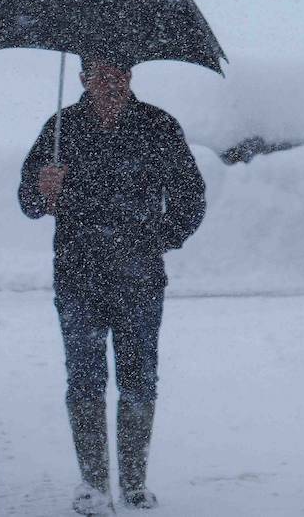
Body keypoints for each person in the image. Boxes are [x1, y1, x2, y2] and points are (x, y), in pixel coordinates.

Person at [18, 56, 206, 515]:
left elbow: (190, 196)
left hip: (139, 278)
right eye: (100, 74)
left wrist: (157, 239)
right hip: (78, 275)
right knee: (84, 378)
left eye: (119, 73)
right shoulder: (61, 128)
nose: (110, 83)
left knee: (139, 379)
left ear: (130, 76)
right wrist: (43, 189)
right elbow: (27, 201)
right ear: (83, 78)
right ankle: (94, 486)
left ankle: (135, 485)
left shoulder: (158, 126)